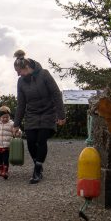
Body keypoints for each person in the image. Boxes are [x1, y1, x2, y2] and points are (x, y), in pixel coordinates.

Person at [12, 50, 66, 184]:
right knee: (30, 141)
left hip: (48, 112)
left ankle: (37, 169)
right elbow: (21, 104)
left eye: (19, 71)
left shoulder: (44, 74)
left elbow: (56, 94)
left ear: (27, 67)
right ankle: (38, 163)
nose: (18, 74)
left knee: (41, 140)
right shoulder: (21, 82)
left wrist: (61, 115)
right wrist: (16, 124)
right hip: (32, 114)